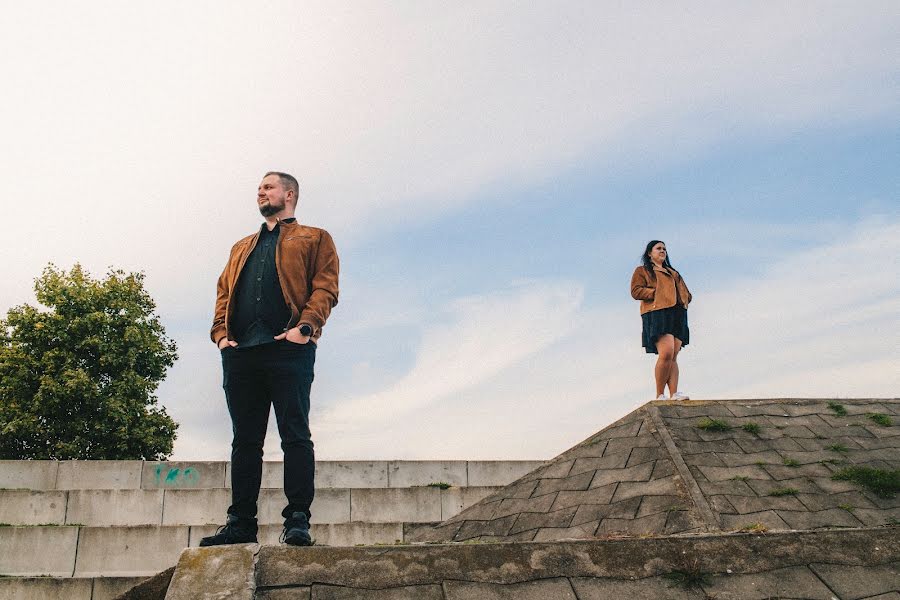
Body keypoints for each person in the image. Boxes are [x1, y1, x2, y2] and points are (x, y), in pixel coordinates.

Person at [201, 171, 339, 547]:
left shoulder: (315, 238)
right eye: (259, 188)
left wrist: (305, 329)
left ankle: (297, 519)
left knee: (295, 435)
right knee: (245, 441)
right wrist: (221, 337)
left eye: (268, 186)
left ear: (289, 194)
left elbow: (325, 287)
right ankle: (241, 523)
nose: (260, 192)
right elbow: (223, 294)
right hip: (241, 352)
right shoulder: (241, 246)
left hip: (288, 348)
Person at [630, 240, 691, 400]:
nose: (662, 251)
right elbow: (636, 291)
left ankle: (674, 394)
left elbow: (685, 291)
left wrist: (685, 299)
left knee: (674, 355)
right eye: (658, 248)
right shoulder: (643, 271)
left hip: (677, 313)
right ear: (650, 253)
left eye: (664, 248)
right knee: (666, 352)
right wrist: (656, 293)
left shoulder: (673, 272)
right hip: (657, 312)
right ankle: (660, 394)